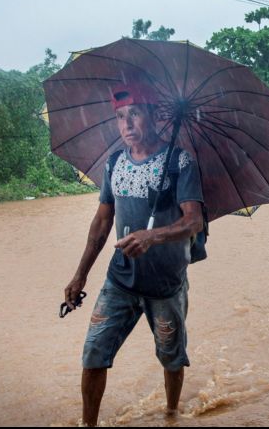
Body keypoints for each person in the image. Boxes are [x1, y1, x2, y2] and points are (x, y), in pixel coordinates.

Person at [64, 89, 204, 426]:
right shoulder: (114, 162)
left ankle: (171, 414)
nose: (126, 124)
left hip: (166, 284)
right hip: (120, 280)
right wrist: (79, 274)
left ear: (155, 117)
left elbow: (193, 220)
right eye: (120, 117)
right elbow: (101, 223)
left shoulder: (179, 162)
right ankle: (89, 425)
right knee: (94, 352)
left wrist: (151, 235)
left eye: (135, 114)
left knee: (171, 357)